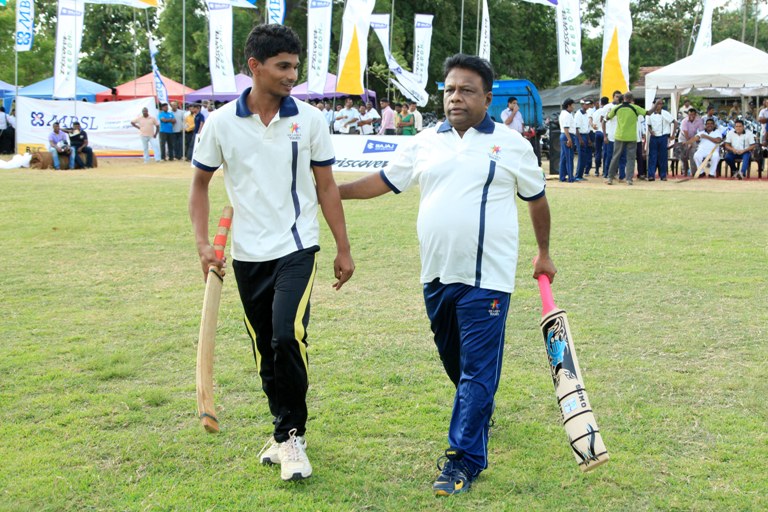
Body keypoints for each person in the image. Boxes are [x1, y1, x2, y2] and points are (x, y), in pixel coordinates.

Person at [337, 53, 556, 497]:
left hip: (488, 277)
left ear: (487, 98)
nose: (456, 97)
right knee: (454, 361)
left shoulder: (512, 144)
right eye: (450, 89)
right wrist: (333, 193)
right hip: (435, 274)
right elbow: (384, 181)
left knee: (477, 370)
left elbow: (536, 199)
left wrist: (544, 253)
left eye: (467, 90)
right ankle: (478, 410)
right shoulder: (425, 141)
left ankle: (464, 459)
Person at [189, 23, 354, 483]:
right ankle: (282, 435)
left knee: (287, 336)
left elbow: (326, 186)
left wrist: (343, 247)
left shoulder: (310, 120)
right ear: (254, 67)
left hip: (298, 245)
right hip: (246, 254)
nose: (292, 76)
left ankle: (292, 436)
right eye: (283, 67)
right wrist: (204, 244)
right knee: (265, 348)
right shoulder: (220, 123)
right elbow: (199, 185)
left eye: (296, 67)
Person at [605, 92, 645, 186]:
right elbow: (648, 112)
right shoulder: (635, 108)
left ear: (623, 98)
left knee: (615, 157)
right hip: (631, 137)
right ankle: (629, 179)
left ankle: (610, 178)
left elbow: (607, 117)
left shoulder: (617, 107)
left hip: (619, 136)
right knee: (630, 159)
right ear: (631, 99)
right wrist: (655, 104)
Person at [646, 99, 676, 181]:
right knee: (652, 156)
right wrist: (650, 131)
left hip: (663, 136)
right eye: (657, 104)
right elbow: (648, 125)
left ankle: (663, 175)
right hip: (654, 137)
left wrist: (673, 134)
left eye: (660, 104)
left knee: (663, 156)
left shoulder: (665, 113)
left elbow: (675, 122)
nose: (658, 106)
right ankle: (651, 175)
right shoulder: (650, 114)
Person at [601, 90, 627, 180]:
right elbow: (603, 121)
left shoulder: (624, 108)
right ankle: (607, 174)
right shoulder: (608, 107)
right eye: (616, 96)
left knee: (622, 157)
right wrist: (605, 135)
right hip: (611, 136)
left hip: (621, 136)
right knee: (610, 156)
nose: (618, 98)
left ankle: (622, 175)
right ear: (613, 97)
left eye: (620, 97)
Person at [678, 108, 704, 176]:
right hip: (683, 137)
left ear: (696, 115)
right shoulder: (684, 121)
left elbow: (701, 131)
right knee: (683, 155)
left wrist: (695, 140)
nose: (691, 116)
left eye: (693, 114)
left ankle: (694, 172)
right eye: (690, 114)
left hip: (693, 137)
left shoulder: (699, 120)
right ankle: (685, 171)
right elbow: (685, 132)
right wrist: (688, 143)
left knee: (693, 154)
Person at [573, 99, 592, 181]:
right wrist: (580, 139)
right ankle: (578, 175)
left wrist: (588, 139)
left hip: (585, 135)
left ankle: (580, 174)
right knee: (581, 156)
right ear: (582, 105)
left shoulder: (586, 114)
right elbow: (576, 128)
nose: (588, 106)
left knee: (584, 156)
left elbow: (586, 128)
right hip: (580, 136)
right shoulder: (578, 114)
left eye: (589, 104)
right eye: (586, 104)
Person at [558, 98, 575, 182]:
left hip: (564, 135)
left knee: (564, 157)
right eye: (572, 105)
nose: (573, 107)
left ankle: (562, 177)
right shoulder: (567, 115)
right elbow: (566, 128)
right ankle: (571, 177)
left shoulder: (563, 113)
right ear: (568, 105)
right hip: (567, 135)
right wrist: (569, 139)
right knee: (569, 157)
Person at [591, 97, 608, 178]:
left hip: (597, 132)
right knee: (605, 152)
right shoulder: (608, 110)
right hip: (605, 132)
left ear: (601, 103)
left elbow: (593, 124)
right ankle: (605, 171)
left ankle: (597, 170)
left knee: (597, 152)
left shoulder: (596, 112)